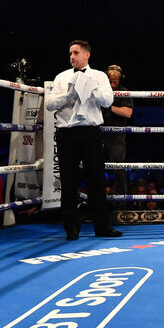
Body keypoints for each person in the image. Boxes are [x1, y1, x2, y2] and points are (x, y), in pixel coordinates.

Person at [44, 39, 121, 241]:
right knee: (68, 182)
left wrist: (91, 88)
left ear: (87, 55)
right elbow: (50, 104)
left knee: (96, 180)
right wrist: (69, 95)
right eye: (70, 53)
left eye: (76, 52)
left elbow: (108, 101)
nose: (72, 56)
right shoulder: (61, 78)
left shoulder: (99, 76)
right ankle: (71, 228)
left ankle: (102, 226)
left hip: (90, 132)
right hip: (67, 134)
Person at [102, 64, 134, 203]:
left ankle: (122, 204)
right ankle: (95, 202)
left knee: (118, 168)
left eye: (115, 82)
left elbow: (127, 113)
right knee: (92, 167)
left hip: (116, 135)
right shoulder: (100, 91)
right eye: (110, 81)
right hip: (99, 133)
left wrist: (110, 107)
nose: (113, 84)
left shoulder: (124, 92)